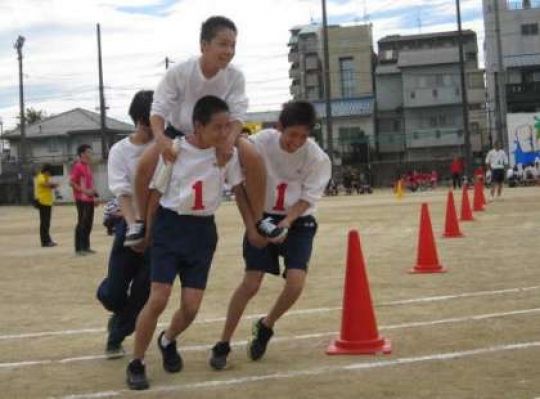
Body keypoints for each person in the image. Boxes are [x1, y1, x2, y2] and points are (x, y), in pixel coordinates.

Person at [126, 96, 246, 390]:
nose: (223, 133)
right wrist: (147, 232)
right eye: (217, 128)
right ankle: (137, 362)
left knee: (191, 307)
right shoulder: (175, 151)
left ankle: (167, 340)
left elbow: (240, 188)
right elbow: (155, 193)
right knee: (159, 297)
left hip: (202, 232)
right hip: (170, 226)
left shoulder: (226, 155)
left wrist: (254, 226)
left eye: (226, 127)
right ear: (198, 126)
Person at [208, 100, 331, 370]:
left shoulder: (317, 158)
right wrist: (253, 227)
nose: (296, 142)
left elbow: (307, 200)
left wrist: (285, 223)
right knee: (251, 283)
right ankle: (223, 342)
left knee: (296, 282)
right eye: (291, 135)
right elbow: (239, 188)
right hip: (260, 216)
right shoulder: (259, 144)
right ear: (279, 128)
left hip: (297, 221)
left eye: (303, 136)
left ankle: (266, 325)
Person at [133, 15, 277, 245]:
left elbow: (239, 113)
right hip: (179, 131)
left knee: (253, 156)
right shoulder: (180, 72)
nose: (229, 51)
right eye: (223, 44)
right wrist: (160, 139)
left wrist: (229, 141)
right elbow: (158, 108)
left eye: (233, 45)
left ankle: (260, 220)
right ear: (204, 45)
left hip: (220, 133)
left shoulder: (235, 76)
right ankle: (140, 222)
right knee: (144, 166)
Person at [96, 90, 154, 359]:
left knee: (143, 294)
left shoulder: (166, 148)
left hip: (159, 230)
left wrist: (150, 232)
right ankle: (109, 296)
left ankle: (116, 336)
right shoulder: (121, 150)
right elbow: (122, 193)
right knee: (114, 293)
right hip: (129, 225)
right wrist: (134, 228)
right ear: (139, 120)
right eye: (149, 122)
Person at [70, 144, 98, 255]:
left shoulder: (87, 166)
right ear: (82, 154)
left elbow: (90, 183)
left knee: (88, 223)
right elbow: (71, 182)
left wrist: (95, 195)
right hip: (81, 199)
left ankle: (86, 246)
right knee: (82, 222)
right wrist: (84, 191)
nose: (90, 154)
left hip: (90, 199)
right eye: (89, 152)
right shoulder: (78, 166)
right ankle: (79, 248)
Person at [33, 163, 58, 247]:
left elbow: (47, 185)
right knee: (44, 222)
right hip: (42, 202)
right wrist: (53, 185)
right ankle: (45, 242)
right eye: (50, 172)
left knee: (47, 222)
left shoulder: (45, 177)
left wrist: (52, 185)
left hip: (47, 202)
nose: (50, 174)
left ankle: (48, 240)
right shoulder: (41, 176)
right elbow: (44, 184)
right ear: (46, 171)